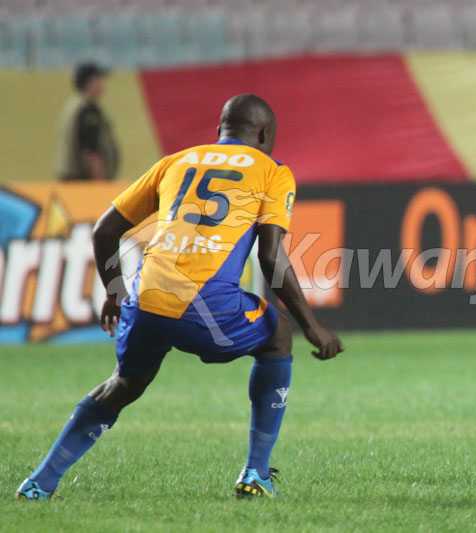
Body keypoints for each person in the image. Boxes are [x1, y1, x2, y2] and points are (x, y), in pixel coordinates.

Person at [18, 94, 343, 501]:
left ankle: (39, 483)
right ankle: (256, 473)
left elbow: (104, 231)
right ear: (264, 134)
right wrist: (313, 326)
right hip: (206, 308)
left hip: (145, 298)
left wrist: (115, 294)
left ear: (219, 132)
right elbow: (271, 256)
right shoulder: (273, 171)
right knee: (278, 334)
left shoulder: (176, 161)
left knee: (126, 382)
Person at [56, 61, 120, 181]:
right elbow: (91, 152)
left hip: (71, 181)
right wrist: (100, 186)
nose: (102, 84)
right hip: (81, 182)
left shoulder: (74, 105)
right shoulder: (87, 110)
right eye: (99, 79)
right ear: (90, 83)